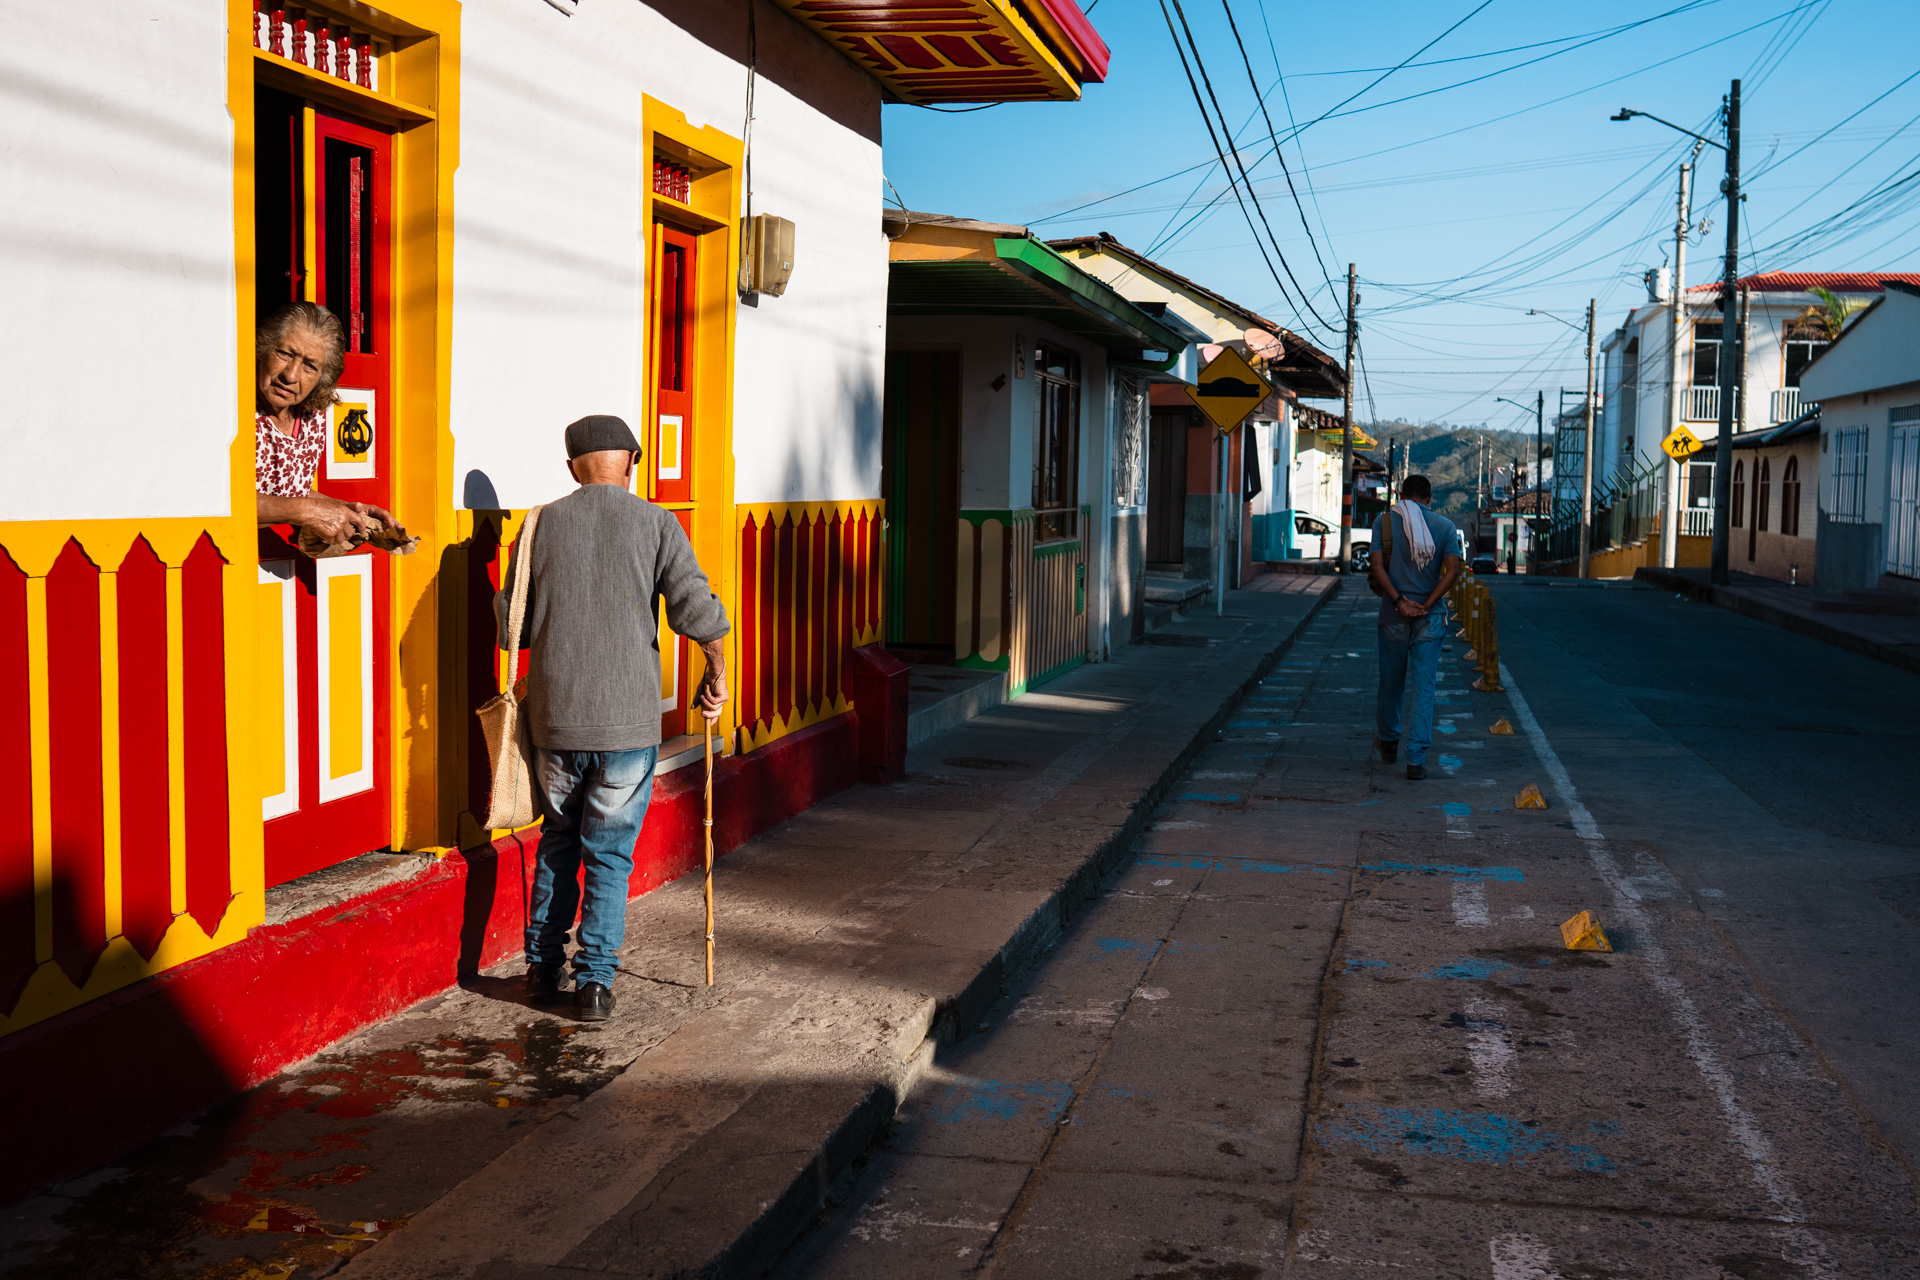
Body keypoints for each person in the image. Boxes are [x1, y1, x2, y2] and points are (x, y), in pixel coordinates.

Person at [496, 415, 729, 1023]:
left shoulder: (539, 523)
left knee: (557, 841)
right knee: (610, 855)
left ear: (572, 465)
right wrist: (717, 674)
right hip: (627, 727)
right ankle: (594, 984)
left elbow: (510, 630)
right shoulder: (656, 522)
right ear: (631, 458)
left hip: (557, 723)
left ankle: (543, 968)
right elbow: (697, 611)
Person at [254, 301, 397, 545]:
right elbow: (219, 498)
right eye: (285, 353)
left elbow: (287, 491)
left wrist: (350, 511)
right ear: (263, 348)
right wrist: (306, 511)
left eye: (310, 366)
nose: (291, 375)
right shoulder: (231, 409)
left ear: (322, 377)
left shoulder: (310, 417)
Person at [1368, 474, 1464, 781]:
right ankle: (1416, 760)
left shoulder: (1384, 523)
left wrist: (1399, 601)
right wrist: (1428, 602)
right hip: (1430, 617)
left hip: (1393, 615)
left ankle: (1389, 745)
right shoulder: (1445, 527)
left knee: (1391, 683)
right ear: (1430, 498)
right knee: (1424, 688)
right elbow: (1454, 570)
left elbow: (1376, 566)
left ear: (1400, 494)